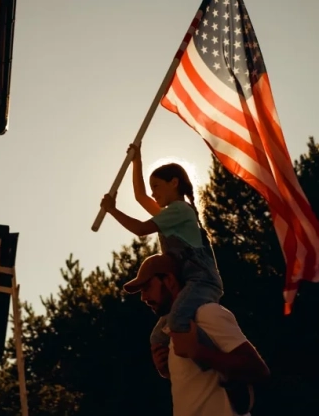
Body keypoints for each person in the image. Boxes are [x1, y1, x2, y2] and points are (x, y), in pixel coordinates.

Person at [100, 143, 224, 370]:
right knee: (158, 336)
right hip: (189, 284)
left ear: (174, 182)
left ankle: (219, 363)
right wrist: (136, 160)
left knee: (176, 321)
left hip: (202, 281)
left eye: (157, 186)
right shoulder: (171, 215)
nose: (153, 193)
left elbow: (140, 229)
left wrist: (112, 210)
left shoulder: (179, 210)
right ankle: (174, 372)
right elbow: (139, 196)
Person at [124, 254, 270, 416]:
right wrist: (167, 372)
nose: (144, 297)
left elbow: (258, 370)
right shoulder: (171, 331)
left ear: (170, 281)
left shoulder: (207, 313)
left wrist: (198, 352)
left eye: (147, 288)